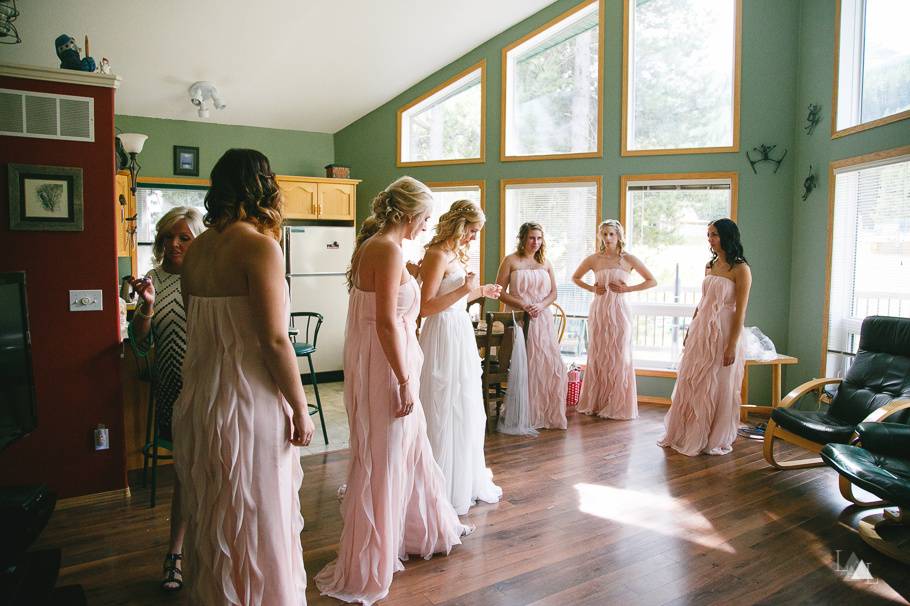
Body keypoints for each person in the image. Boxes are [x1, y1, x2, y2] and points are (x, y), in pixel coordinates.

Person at [315, 177, 471, 606]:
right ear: (407, 214)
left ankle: (415, 532)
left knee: (407, 449)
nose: (426, 226)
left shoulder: (385, 249)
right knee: (386, 455)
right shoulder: (384, 249)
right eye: (424, 218)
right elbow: (385, 321)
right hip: (387, 367)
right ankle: (374, 556)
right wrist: (403, 379)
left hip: (394, 360)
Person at [173, 149, 315, 605]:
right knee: (256, 508)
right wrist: (300, 406)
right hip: (249, 399)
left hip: (202, 397)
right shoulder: (259, 246)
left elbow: (199, 328)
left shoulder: (196, 250)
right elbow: (274, 340)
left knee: (216, 507)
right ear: (263, 185)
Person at [127, 206, 204, 592]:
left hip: (212, 390)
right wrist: (147, 305)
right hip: (173, 392)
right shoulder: (154, 280)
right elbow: (140, 341)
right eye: (168, 237)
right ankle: (175, 555)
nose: (173, 244)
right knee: (185, 479)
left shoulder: (209, 277)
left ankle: (210, 552)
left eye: (183, 238)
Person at [418, 200, 503, 515]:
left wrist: (479, 291)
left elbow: (456, 299)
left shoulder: (454, 255)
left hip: (459, 332)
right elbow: (426, 306)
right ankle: (437, 483)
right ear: (457, 224)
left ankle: (462, 479)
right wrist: (465, 289)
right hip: (440, 334)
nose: (473, 237)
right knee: (442, 403)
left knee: (465, 406)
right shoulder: (436, 255)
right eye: (471, 230)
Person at [658, 218, 752, 456]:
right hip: (702, 329)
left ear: (728, 236)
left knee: (718, 384)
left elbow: (740, 311)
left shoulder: (741, 269)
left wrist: (731, 345)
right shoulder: (710, 265)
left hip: (724, 330)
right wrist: (691, 328)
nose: (710, 239)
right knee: (695, 380)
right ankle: (689, 431)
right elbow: (702, 302)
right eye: (709, 234)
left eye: (715, 235)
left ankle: (712, 436)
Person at [572, 220, 656, 420]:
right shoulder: (594, 259)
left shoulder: (628, 259)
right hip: (600, 310)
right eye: (604, 234)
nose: (608, 238)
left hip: (619, 310)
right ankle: (597, 402)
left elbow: (652, 280)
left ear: (619, 236)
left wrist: (628, 289)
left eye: (611, 234)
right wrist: (593, 288)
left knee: (619, 355)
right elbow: (576, 277)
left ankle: (617, 404)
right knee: (599, 354)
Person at [495, 222, 568, 430]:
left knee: (546, 364)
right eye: (531, 238)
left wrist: (541, 305)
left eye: (539, 238)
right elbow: (500, 291)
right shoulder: (510, 260)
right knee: (524, 364)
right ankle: (523, 412)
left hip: (541, 318)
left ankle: (543, 412)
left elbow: (554, 293)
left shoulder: (545, 262)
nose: (535, 242)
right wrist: (523, 305)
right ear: (522, 239)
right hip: (518, 317)